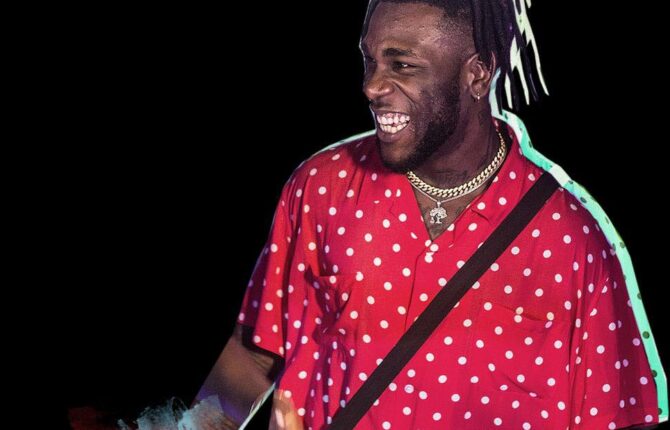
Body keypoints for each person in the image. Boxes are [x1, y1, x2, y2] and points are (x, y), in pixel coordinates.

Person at [193, 1, 667, 429]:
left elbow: (620, 414)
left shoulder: (571, 238)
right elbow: (255, 355)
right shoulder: (322, 187)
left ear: (477, 74)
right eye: (370, 60)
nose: (372, 86)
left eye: (402, 65)